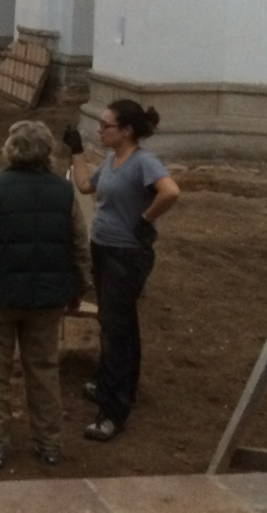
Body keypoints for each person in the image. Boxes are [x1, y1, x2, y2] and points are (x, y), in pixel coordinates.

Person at [0, 121, 90, 469]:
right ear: (47, 152)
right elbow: (79, 244)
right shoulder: (64, 194)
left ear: (11, 149)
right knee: (44, 369)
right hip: (46, 300)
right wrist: (79, 286)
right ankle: (49, 443)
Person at [64, 99, 180, 442]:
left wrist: (146, 219)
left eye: (106, 126)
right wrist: (77, 150)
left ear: (127, 130)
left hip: (125, 255)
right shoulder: (113, 161)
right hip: (104, 248)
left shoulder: (143, 162)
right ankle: (117, 384)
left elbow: (171, 191)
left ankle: (112, 412)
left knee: (116, 329)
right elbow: (85, 186)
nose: (100, 131)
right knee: (118, 322)